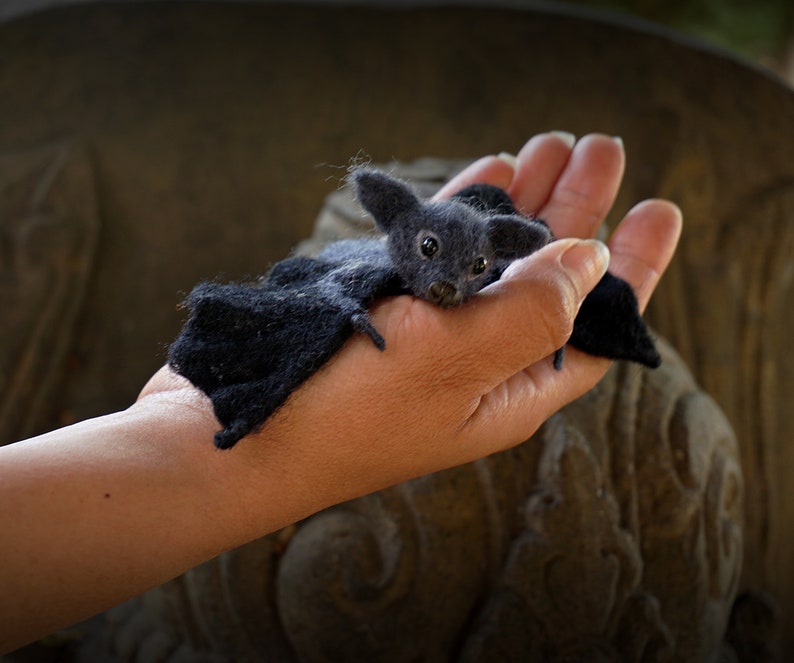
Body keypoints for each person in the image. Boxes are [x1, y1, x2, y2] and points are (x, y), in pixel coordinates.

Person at [0, 132, 682, 654]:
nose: (450, 281)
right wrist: (210, 446)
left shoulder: (409, 267)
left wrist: (183, 444)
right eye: (429, 254)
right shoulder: (348, 276)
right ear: (396, 228)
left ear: (497, 256)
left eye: (476, 267)